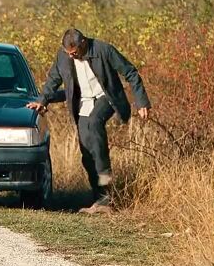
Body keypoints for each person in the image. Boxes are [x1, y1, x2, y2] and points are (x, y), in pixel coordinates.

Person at [27, 28, 151, 214]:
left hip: (106, 98)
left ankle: (104, 172)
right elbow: (53, 80)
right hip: (83, 103)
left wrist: (142, 102)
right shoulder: (63, 57)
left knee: (95, 125)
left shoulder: (103, 50)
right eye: (69, 53)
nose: (73, 56)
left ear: (83, 42)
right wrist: (42, 100)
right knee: (87, 155)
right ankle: (101, 198)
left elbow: (131, 72)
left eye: (75, 52)